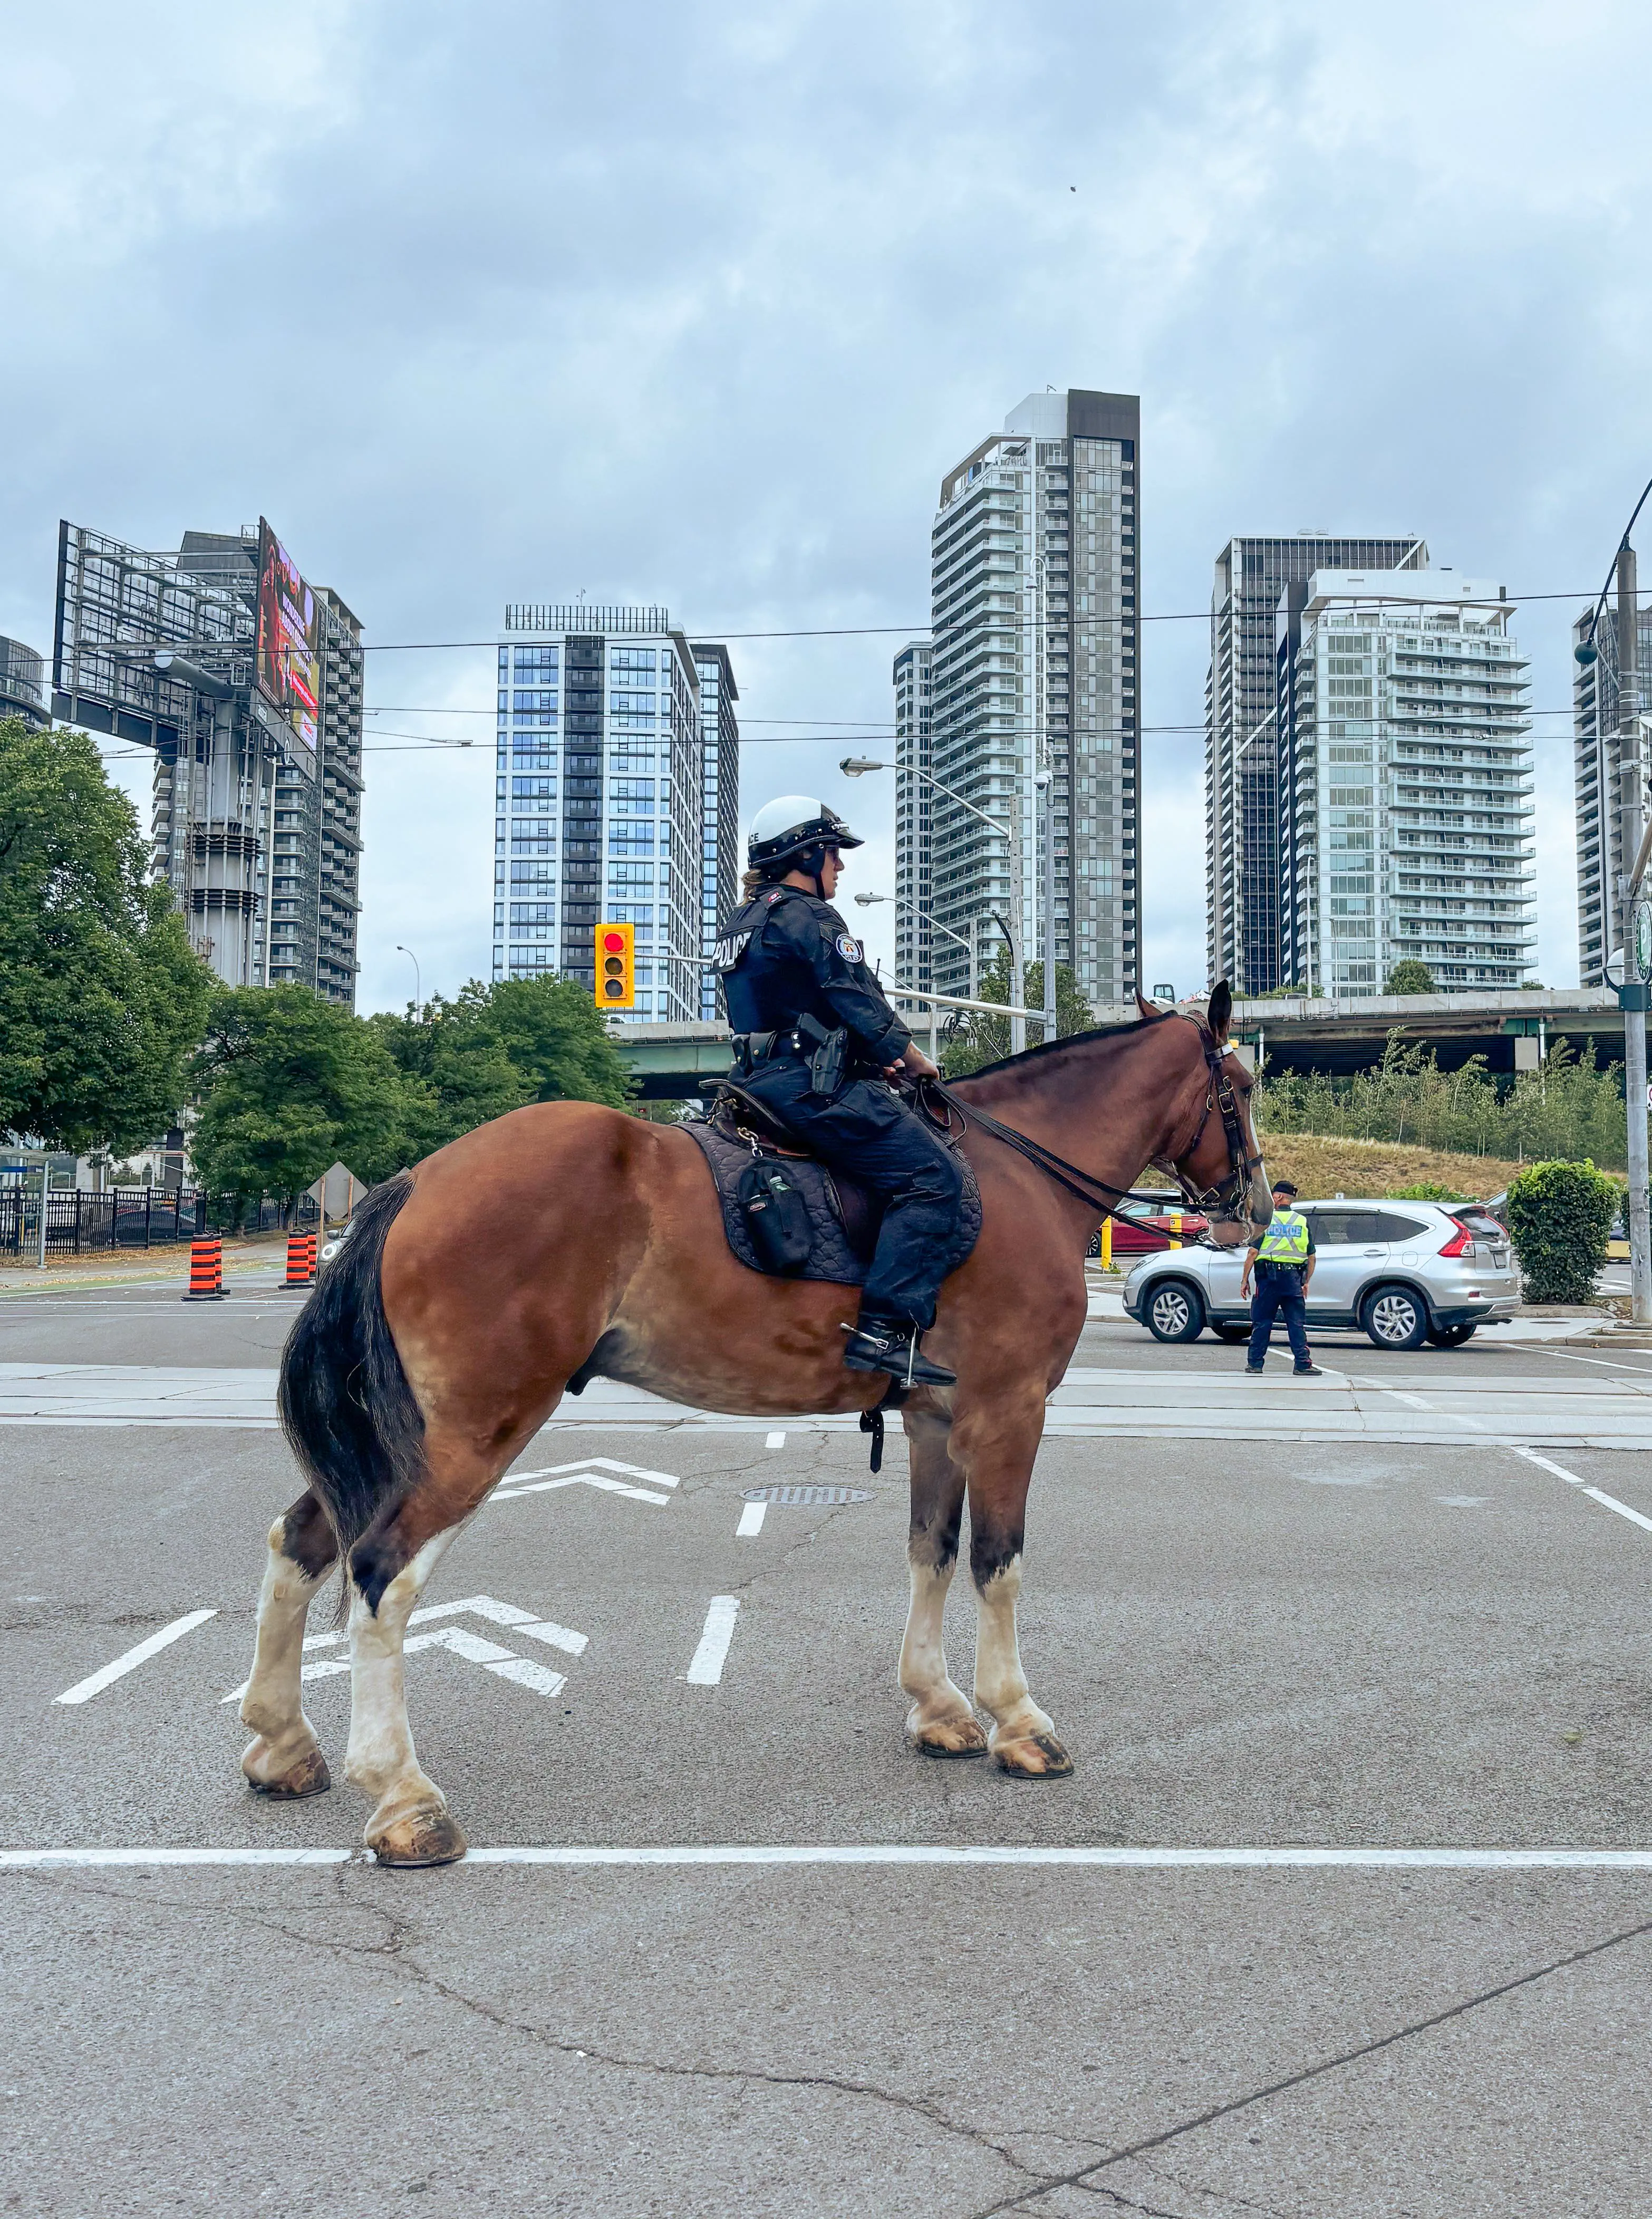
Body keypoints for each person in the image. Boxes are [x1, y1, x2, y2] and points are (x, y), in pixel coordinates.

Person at [714, 795, 965, 1387]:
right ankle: (883, 1333)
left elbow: (796, 1003)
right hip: (808, 1084)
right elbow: (855, 995)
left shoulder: (744, 919)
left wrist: (867, 1061)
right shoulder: (809, 916)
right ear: (805, 853)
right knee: (933, 1178)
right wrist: (910, 1059)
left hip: (755, 1077)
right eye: (833, 853)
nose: (840, 867)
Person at [1240, 1179, 1322, 1377]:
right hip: (1293, 1280)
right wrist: (1305, 1282)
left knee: (1262, 1322)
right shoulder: (1301, 1221)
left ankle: (1255, 1364)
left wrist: (1244, 1280)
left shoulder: (1267, 1221)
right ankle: (1302, 1364)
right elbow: (1311, 1257)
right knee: (1296, 1323)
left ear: (1278, 1197)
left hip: (1268, 1279)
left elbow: (1252, 1253)